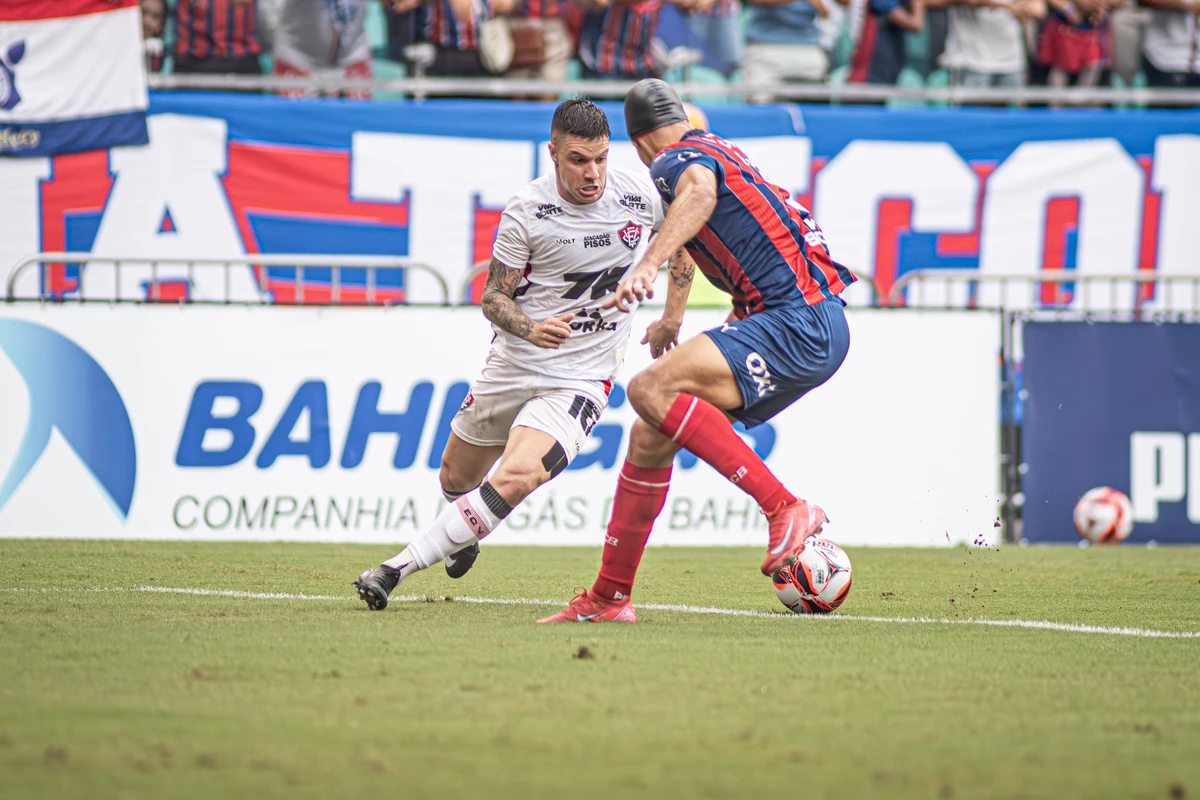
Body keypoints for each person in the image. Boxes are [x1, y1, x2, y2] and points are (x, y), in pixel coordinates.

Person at [538, 80, 856, 624]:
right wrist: (673, 318)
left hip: (798, 322)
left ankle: (784, 507)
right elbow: (699, 228)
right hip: (807, 321)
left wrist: (645, 265)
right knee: (650, 433)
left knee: (648, 388)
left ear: (637, 144)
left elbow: (698, 199)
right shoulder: (718, 151)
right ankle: (609, 597)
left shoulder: (674, 160)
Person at [353, 99, 663, 610]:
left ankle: (394, 569)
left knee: (517, 476)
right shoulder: (527, 211)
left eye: (601, 159)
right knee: (455, 476)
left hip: (580, 379)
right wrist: (532, 327)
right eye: (579, 160)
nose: (593, 174)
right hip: (516, 362)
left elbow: (685, 243)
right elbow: (493, 297)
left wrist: (671, 314)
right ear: (553, 153)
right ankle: (463, 532)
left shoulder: (638, 199)